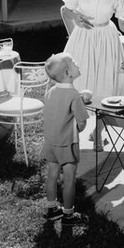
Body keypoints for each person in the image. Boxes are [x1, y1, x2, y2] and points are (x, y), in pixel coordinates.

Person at [61, 0, 124, 151]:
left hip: (107, 39)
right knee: (78, 83)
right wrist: (76, 17)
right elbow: (67, 9)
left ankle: (99, 133)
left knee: (107, 84)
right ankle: (72, 132)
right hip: (83, 37)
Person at [41, 52, 90, 227]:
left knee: (52, 175)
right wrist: (77, 129)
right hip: (68, 143)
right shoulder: (74, 95)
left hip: (51, 142)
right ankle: (68, 215)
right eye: (74, 63)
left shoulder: (50, 92)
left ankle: (52, 208)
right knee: (69, 179)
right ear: (68, 73)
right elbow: (82, 123)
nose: (78, 64)